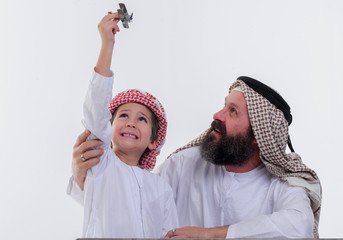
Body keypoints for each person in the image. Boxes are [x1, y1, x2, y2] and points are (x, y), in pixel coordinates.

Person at [69, 48, 321, 239]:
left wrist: (209, 234)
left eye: (232, 112)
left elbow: (298, 227)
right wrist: (85, 180)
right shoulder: (184, 165)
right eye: (224, 106)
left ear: (258, 135)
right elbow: (134, 198)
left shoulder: (283, 186)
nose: (217, 115)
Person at [68, 12, 178, 238]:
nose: (130, 123)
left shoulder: (161, 188)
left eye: (142, 119)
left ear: (153, 141)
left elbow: (170, 234)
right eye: (123, 115)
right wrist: (107, 44)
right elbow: (96, 107)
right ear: (109, 129)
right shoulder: (101, 164)